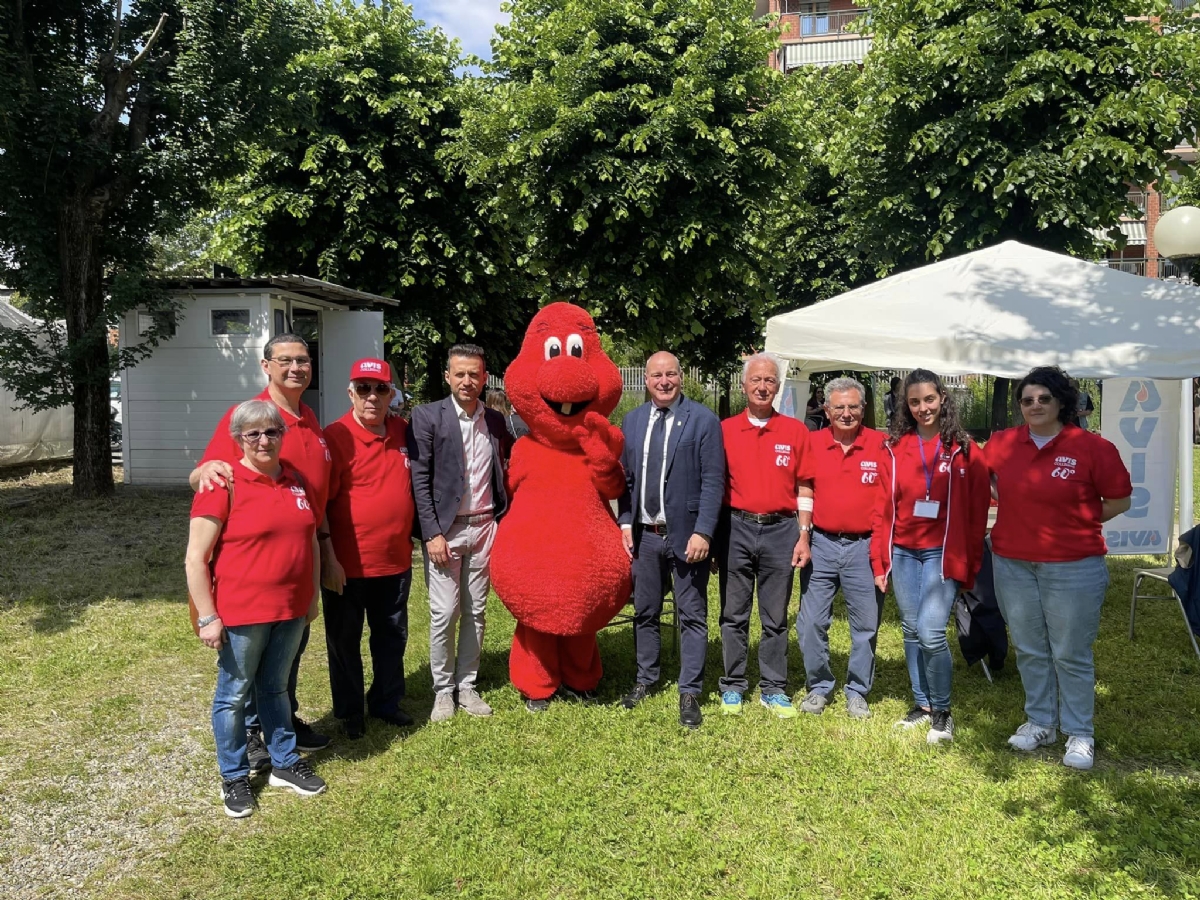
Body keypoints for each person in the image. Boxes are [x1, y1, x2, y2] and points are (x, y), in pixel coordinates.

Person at [189, 333, 332, 766]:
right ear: (265, 365)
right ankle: (253, 734)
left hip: (298, 562)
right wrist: (202, 470)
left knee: (285, 656)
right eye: (285, 360)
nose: (296, 368)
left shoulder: (308, 418)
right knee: (248, 669)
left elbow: (316, 496)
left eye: (303, 361)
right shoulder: (249, 417)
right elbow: (206, 475)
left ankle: (279, 719)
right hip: (250, 573)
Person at [983, 366, 1132, 770]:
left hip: (1073, 564)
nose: (1035, 406)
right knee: (1030, 648)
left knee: (1070, 652)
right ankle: (1040, 722)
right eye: (1027, 400)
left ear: (1061, 402)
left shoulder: (1092, 448)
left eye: (1043, 399)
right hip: (1013, 562)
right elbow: (985, 480)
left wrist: (1078, 519)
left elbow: (1119, 501)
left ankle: (1079, 732)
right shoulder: (1002, 443)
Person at [871, 369, 990, 744]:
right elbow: (882, 509)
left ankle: (942, 710)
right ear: (905, 406)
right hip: (903, 551)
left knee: (931, 632)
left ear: (942, 398)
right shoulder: (895, 446)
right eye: (914, 402)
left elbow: (977, 509)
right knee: (909, 628)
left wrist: (970, 562)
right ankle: (922, 706)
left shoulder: (964, 448)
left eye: (929, 400)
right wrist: (880, 560)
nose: (923, 408)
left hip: (943, 552)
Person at [618, 351, 725, 729]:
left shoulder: (703, 420)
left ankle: (690, 690)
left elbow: (714, 482)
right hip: (646, 537)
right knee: (645, 611)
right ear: (645, 380)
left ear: (681, 377)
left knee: (692, 615)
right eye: (656, 375)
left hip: (687, 535)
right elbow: (625, 480)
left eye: (670, 375)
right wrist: (626, 522)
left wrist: (704, 532)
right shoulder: (631, 422)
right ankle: (645, 679)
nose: (664, 381)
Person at [407, 344, 512, 723]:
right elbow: (419, 479)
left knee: (476, 611)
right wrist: (431, 533)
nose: (468, 381)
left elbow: (506, 472)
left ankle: (466, 686)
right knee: (444, 612)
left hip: (485, 527)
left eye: (475, 374)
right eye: (460, 374)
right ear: (448, 376)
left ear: (485, 378)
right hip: (446, 532)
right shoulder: (427, 417)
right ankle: (442, 690)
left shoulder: (497, 422)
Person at [320, 359, 417, 739]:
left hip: (394, 560)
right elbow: (322, 502)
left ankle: (386, 702)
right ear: (351, 393)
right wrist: (328, 557)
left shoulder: (403, 431)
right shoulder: (335, 436)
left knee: (392, 636)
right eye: (364, 388)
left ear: (392, 394)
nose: (372, 396)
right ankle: (349, 712)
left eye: (380, 388)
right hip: (347, 563)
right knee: (344, 642)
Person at [716, 353, 813, 719]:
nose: (762, 386)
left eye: (769, 381)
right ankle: (733, 685)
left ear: (778, 387)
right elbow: (713, 485)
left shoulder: (795, 431)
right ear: (744, 386)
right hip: (736, 527)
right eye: (755, 380)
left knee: (775, 617)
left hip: (781, 529)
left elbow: (805, 485)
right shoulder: (723, 430)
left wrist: (803, 535)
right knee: (733, 613)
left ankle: (773, 688)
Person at [797, 376, 887, 719]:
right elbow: (805, 489)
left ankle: (857, 691)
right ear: (826, 409)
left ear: (863, 409)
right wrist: (803, 536)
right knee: (810, 623)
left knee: (866, 625)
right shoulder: (813, 443)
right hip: (821, 543)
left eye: (853, 407)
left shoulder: (881, 445)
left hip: (865, 546)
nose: (846, 413)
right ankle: (819, 686)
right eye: (839, 407)